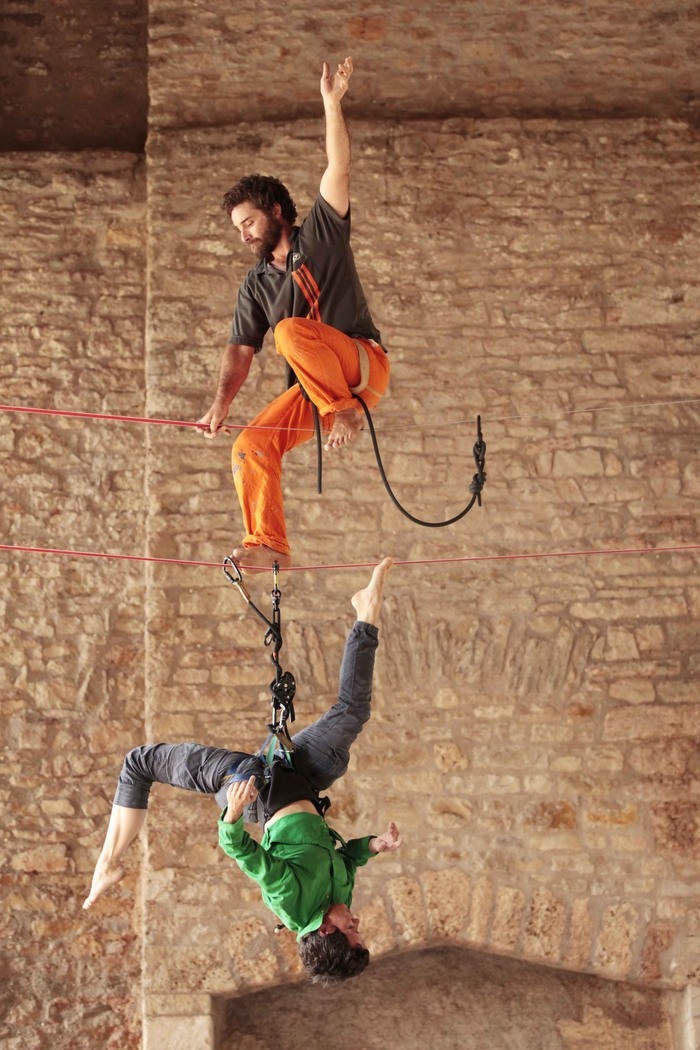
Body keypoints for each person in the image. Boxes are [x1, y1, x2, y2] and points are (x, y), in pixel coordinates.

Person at [83, 558, 402, 986]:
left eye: (353, 929)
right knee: (353, 713)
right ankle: (366, 610)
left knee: (141, 762)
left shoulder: (291, 902)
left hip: (253, 789)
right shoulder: (338, 901)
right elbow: (345, 859)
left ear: (326, 932)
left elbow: (246, 856)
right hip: (300, 777)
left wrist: (233, 812)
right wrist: (375, 846)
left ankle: (107, 862)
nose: (356, 919)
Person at [196, 56, 390, 572]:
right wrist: (220, 406)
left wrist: (331, 103)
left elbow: (339, 168)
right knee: (251, 445)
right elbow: (239, 348)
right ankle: (269, 544)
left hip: (360, 368)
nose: (243, 234)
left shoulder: (322, 235)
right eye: (237, 227)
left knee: (288, 332)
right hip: (319, 392)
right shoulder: (255, 285)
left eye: (249, 221)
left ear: (276, 211)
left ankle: (340, 410)